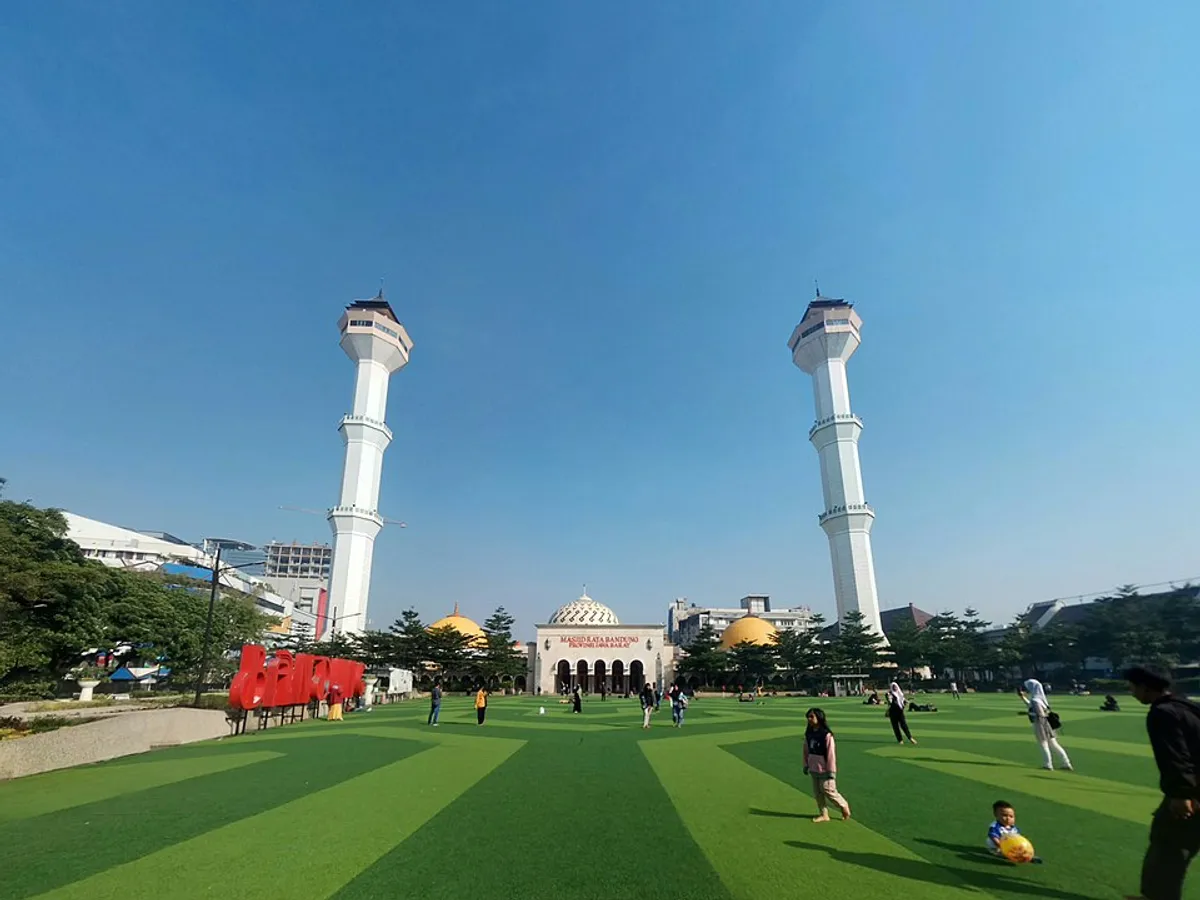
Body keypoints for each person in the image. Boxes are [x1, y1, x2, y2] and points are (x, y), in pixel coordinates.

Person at [1124, 666, 1200, 900]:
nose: (1132, 693)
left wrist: (1181, 794)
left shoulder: (1163, 713)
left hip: (1192, 789)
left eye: (1133, 687)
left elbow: (1175, 756)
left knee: (1170, 846)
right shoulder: (1188, 706)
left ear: (1146, 688)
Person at [802, 708, 851, 822]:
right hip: (813, 767)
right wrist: (805, 764)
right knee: (818, 793)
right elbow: (805, 750)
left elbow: (830, 754)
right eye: (808, 717)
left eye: (812, 716)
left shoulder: (826, 735)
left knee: (828, 790)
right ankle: (824, 814)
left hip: (824, 768)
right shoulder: (809, 734)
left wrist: (831, 771)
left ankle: (843, 805)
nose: (809, 719)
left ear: (819, 718)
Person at [1019, 679, 1072, 771]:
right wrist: (1023, 697)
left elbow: (1040, 714)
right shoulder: (1040, 699)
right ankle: (1066, 763)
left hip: (1040, 724)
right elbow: (1032, 706)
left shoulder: (1035, 700)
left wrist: (1026, 714)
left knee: (1043, 744)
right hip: (1047, 724)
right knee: (1054, 744)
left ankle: (1048, 764)